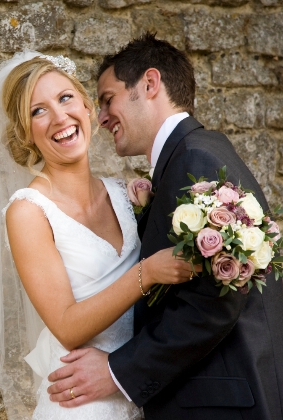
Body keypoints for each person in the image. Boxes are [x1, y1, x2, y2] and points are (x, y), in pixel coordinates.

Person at [46, 33, 283, 420]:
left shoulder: (195, 159)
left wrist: (117, 371)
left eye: (108, 99)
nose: (102, 117)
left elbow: (213, 301)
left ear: (150, 84)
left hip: (219, 402)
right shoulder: (200, 151)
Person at [0, 51, 195, 419]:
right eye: (37, 111)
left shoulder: (127, 194)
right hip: (80, 404)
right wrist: (149, 272)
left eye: (65, 98)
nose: (59, 117)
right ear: (25, 132)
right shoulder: (28, 211)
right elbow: (67, 326)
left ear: (88, 107)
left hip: (142, 392)